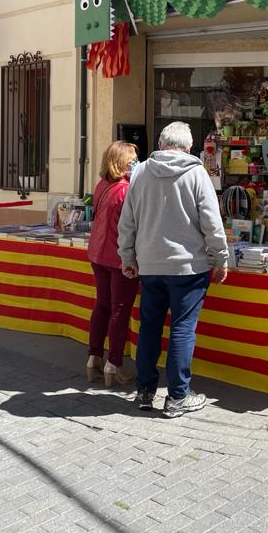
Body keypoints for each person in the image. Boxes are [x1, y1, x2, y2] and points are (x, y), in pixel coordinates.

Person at [117, 121, 227, 419]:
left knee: (150, 327)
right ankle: (178, 395)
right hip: (188, 267)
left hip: (150, 265)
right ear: (188, 147)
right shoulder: (196, 173)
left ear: (162, 143)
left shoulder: (140, 173)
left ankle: (144, 390)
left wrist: (127, 256)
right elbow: (212, 223)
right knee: (181, 328)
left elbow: (127, 221)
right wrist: (221, 258)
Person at [86, 140, 139, 387]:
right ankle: (113, 364)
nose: (135, 164)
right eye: (132, 161)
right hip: (119, 257)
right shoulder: (127, 190)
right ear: (122, 163)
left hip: (98, 253)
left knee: (102, 306)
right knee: (120, 310)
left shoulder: (101, 186)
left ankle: (93, 358)